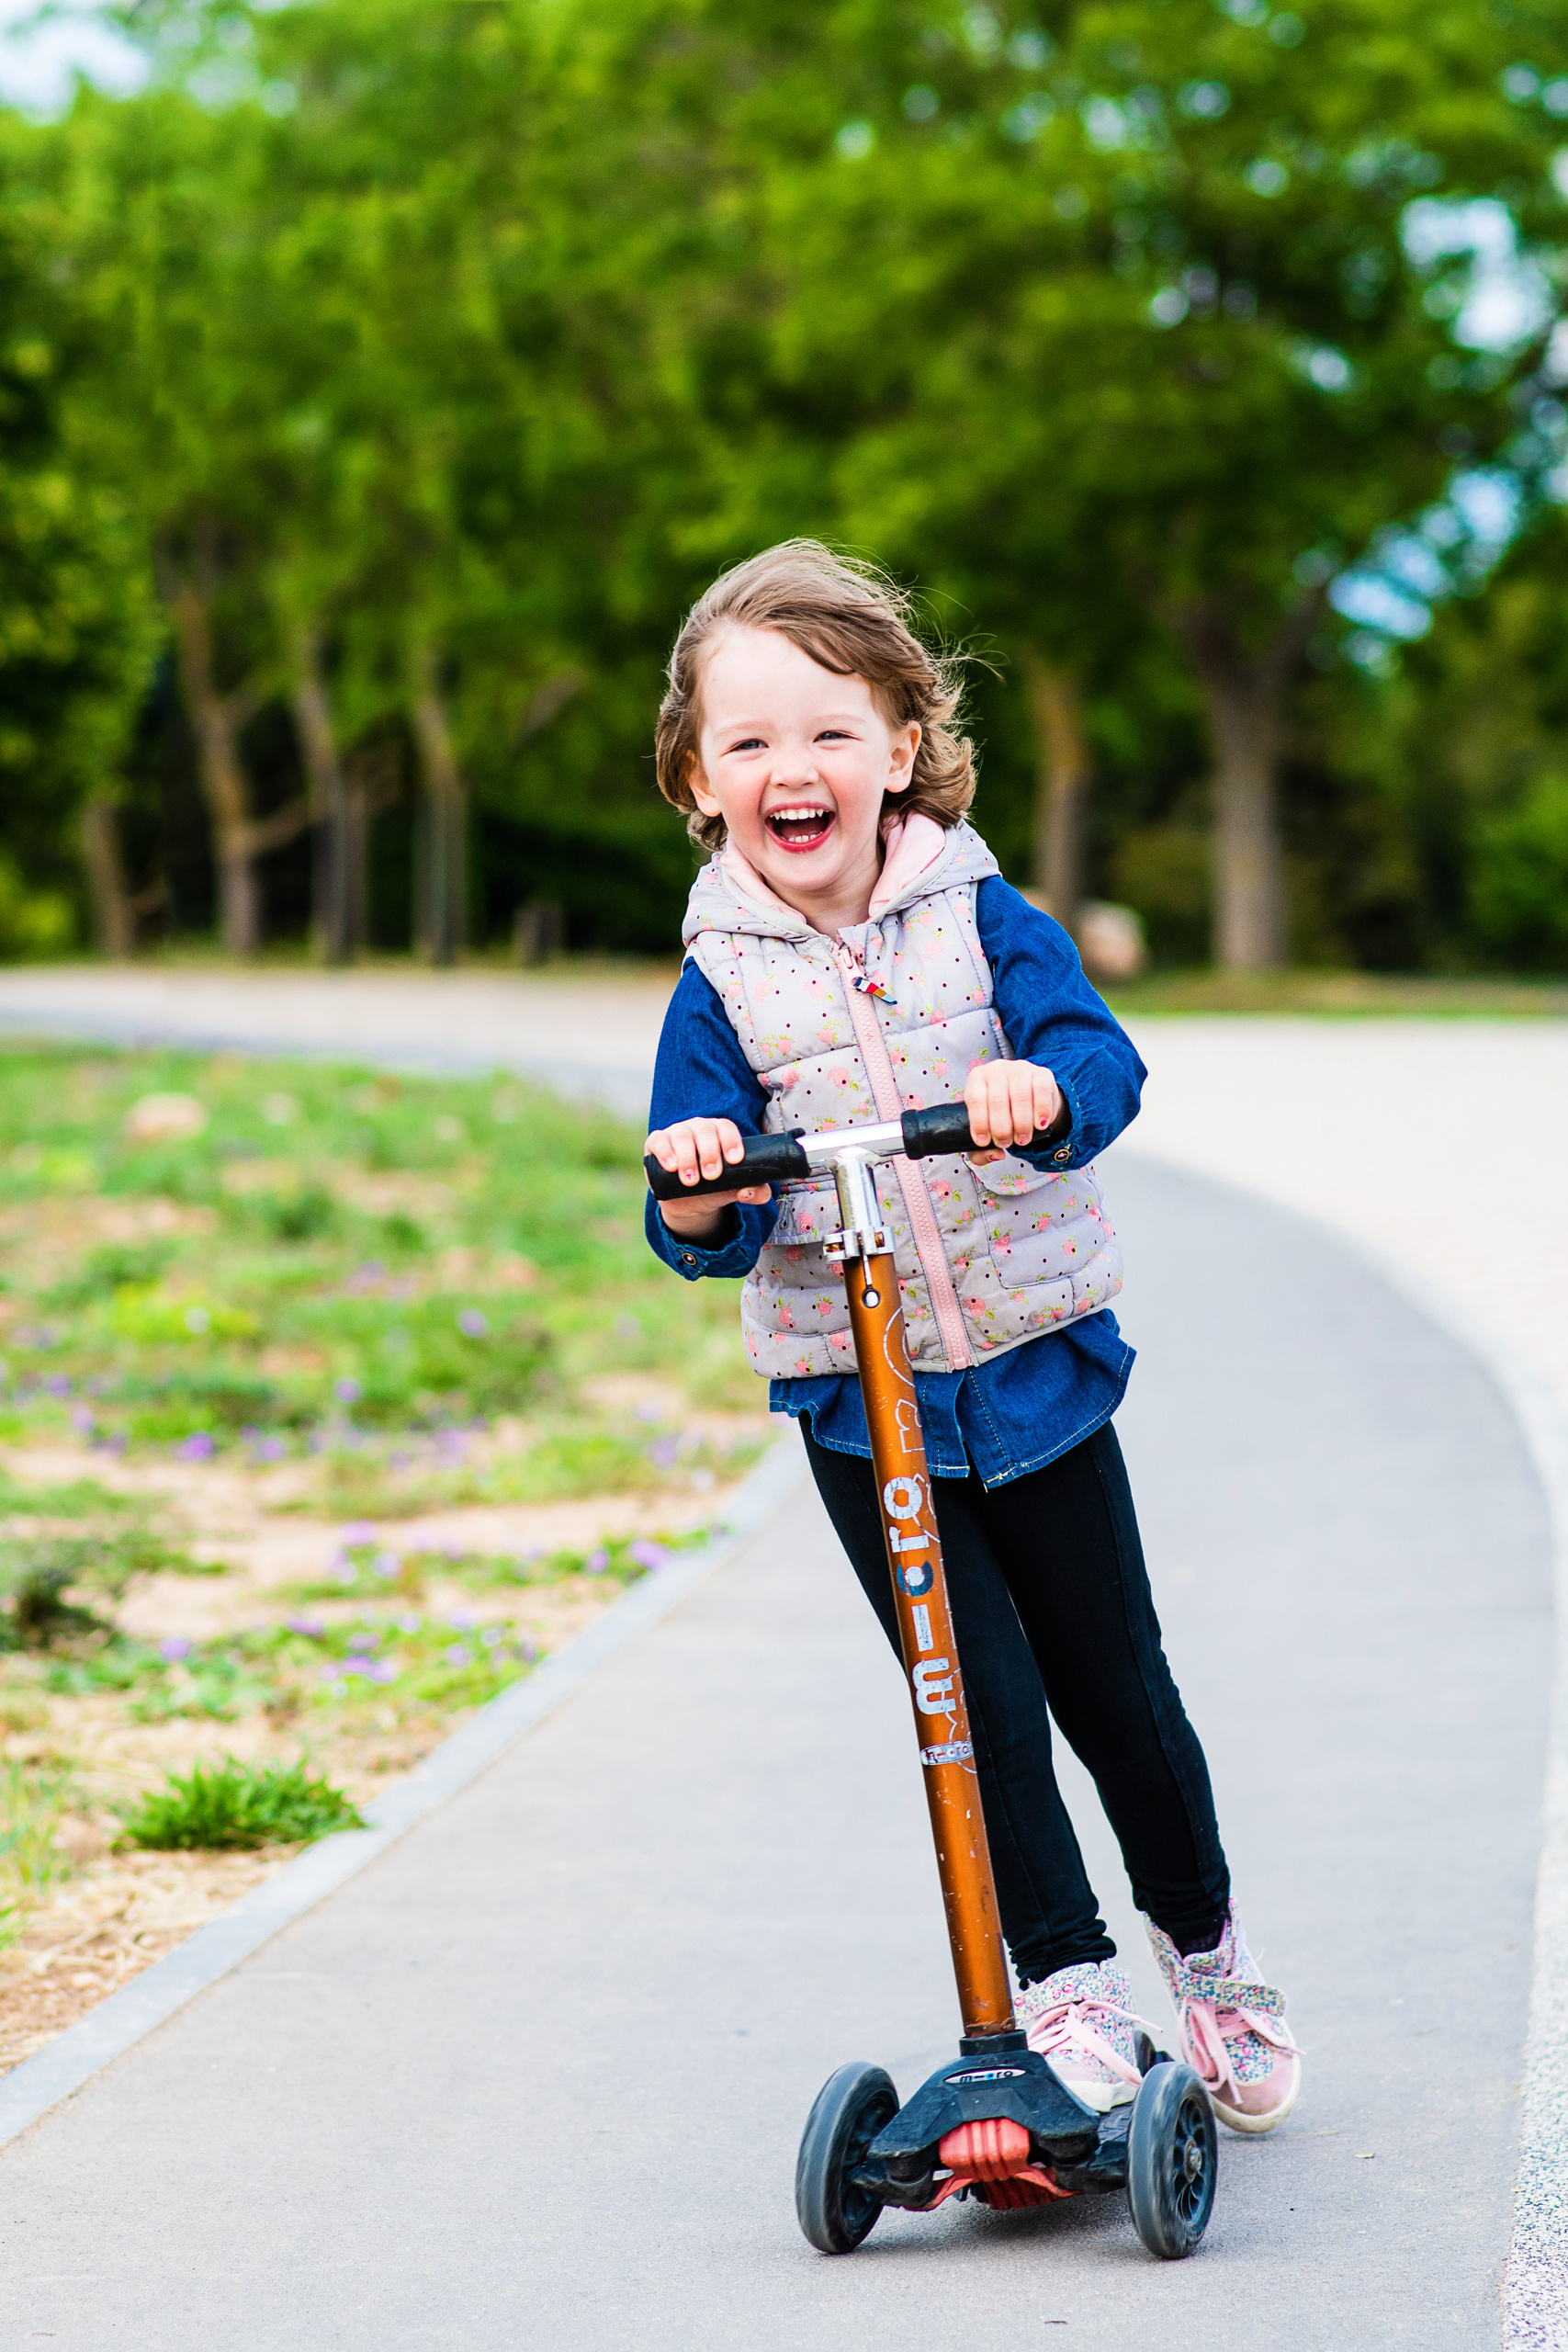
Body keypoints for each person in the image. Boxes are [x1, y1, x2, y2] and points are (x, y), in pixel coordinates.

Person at [641, 540, 1300, 2134]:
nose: (792, 769)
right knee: (971, 1706)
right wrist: (706, 1187)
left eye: (828, 733)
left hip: (1034, 1373)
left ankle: (1204, 1953)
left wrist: (1043, 1090)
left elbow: (1099, 1057)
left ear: (899, 748)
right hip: (861, 1407)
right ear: (697, 778)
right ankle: (1067, 1994)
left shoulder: (980, 917)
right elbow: (685, 1187)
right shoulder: (718, 980)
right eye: (749, 744)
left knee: (1112, 1689)